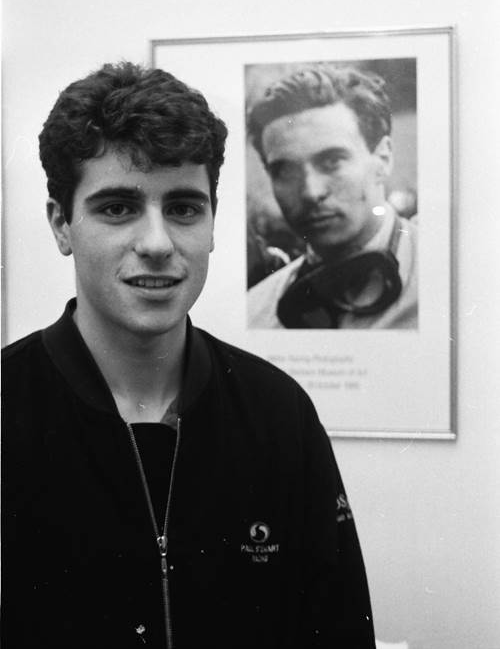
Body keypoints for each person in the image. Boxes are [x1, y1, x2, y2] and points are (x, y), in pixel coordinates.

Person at [1, 62, 376, 649]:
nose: (156, 244)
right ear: (61, 224)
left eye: (182, 208)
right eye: (118, 208)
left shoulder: (279, 414)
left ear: (210, 224)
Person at [247, 65, 418, 329]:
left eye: (332, 161)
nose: (311, 192)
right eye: (284, 171)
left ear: (383, 159)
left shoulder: (451, 282)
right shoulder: (257, 313)